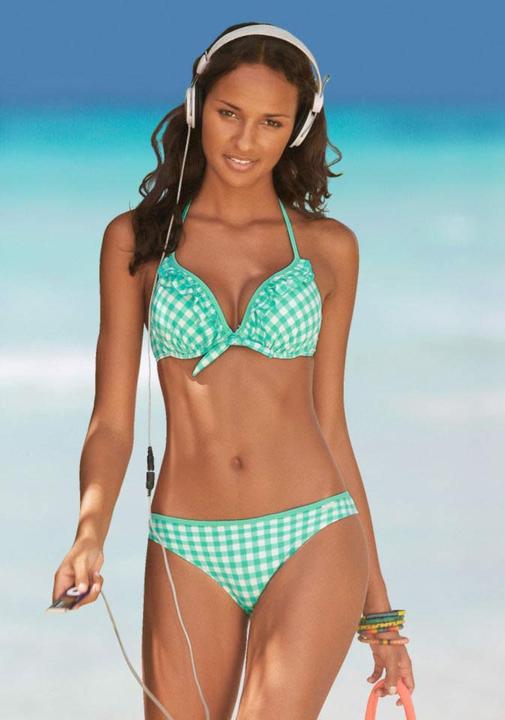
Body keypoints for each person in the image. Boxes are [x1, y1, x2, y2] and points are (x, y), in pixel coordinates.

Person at [52, 22, 415, 720]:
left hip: (312, 531)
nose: (245, 140)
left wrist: (380, 615)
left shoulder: (328, 248)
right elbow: (111, 420)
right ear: (197, 108)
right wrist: (90, 530)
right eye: (229, 113)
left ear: (296, 130)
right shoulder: (136, 241)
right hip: (186, 544)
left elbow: (331, 424)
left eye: (271, 122)